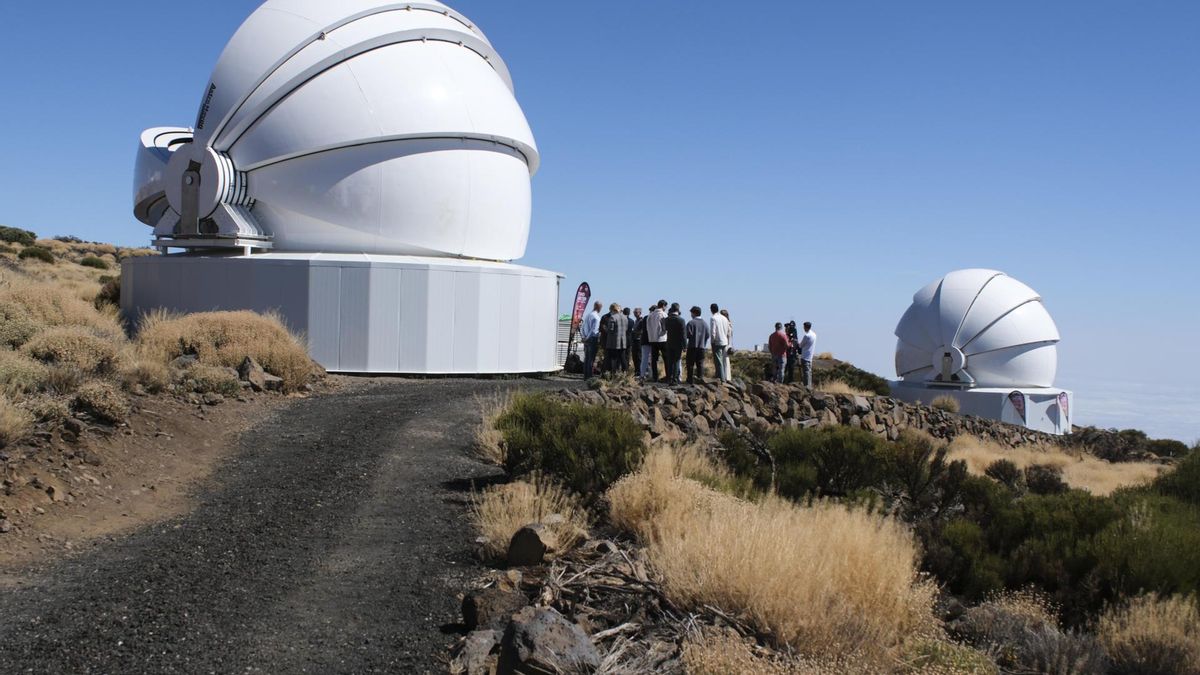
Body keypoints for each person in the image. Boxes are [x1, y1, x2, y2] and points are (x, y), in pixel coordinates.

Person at [685, 306, 711, 384]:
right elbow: (708, 335)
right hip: (702, 347)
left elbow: (687, 335)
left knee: (690, 364)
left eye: (691, 313)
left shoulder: (691, 323)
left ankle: (690, 380)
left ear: (694, 313)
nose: (691, 314)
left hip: (692, 346)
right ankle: (700, 379)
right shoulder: (705, 323)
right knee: (700, 364)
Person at [664, 304, 687, 385]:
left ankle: (669, 378)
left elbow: (664, 329)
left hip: (669, 342)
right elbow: (684, 334)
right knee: (676, 361)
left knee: (670, 361)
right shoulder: (681, 320)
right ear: (678, 309)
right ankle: (675, 379)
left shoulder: (667, 320)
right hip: (678, 343)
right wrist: (685, 346)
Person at [603, 303, 629, 373]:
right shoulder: (625, 317)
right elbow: (626, 328)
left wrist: (605, 328)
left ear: (612, 309)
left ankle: (613, 373)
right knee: (623, 358)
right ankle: (625, 372)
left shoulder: (613, 317)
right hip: (623, 342)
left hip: (613, 343)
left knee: (613, 358)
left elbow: (611, 330)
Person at [709, 303, 732, 382]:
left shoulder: (713, 318)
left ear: (711, 310)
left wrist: (712, 341)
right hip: (725, 341)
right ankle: (724, 377)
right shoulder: (724, 318)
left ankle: (721, 378)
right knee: (723, 360)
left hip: (717, 342)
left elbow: (713, 332)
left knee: (718, 361)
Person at [646, 300, 668, 382]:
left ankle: (655, 377)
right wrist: (664, 333)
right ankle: (668, 376)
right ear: (663, 306)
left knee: (654, 359)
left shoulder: (650, 315)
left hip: (652, 339)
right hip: (662, 339)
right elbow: (665, 327)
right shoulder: (663, 314)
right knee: (666, 358)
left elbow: (648, 327)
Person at [580, 301, 602, 380]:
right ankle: (589, 376)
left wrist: (583, 336)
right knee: (591, 358)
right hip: (592, 339)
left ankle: (586, 375)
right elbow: (594, 330)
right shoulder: (596, 317)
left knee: (587, 358)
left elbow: (582, 327)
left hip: (586, 338)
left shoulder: (588, 315)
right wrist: (587, 337)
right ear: (599, 307)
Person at [798, 321, 817, 387]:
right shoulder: (814, 334)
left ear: (805, 327)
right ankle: (809, 386)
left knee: (806, 372)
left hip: (805, 356)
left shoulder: (807, 336)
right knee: (809, 372)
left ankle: (806, 386)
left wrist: (796, 343)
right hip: (810, 356)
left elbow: (800, 345)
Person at [634, 308, 650, 380]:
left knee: (640, 356)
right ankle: (638, 371)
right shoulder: (636, 320)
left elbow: (640, 330)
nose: (635, 313)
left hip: (639, 339)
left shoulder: (642, 320)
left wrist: (636, 332)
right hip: (635, 339)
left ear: (640, 313)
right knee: (636, 356)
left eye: (636, 312)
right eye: (634, 312)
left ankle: (643, 372)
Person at [720, 309, 734, 380]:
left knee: (725, 360)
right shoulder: (729, 323)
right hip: (728, 343)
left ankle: (726, 377)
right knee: (725, 360)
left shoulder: (727, 324)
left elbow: (728, 334)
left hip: (726, 343)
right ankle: (726, 376)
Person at [622, 307, 635, 372]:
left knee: (622, 355)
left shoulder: (621, 320)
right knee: (627, 356)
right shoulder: (632, 321)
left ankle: (622, 369)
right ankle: (626, 370)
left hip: (622, 339)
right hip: (629, 340)